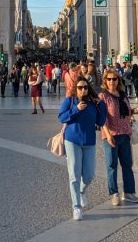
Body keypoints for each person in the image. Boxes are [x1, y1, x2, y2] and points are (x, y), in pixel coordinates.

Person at [58, 75, 108, 221]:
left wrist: (102, 105)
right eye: (80, 87)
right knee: (74, 174)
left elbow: (100, 121)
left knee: (89, 175)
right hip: (72, 141)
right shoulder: (69, 101)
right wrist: (76, 109)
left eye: (85, 87)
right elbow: (62, 117)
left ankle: (81, 192)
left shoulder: (93, 104)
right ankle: (76, 207)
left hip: (89, 142)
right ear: (76, 88)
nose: (83, 90)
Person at [99, 69, 138, 206]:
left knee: (127, 165)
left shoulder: (123, 95)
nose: (112, 81)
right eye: (109, 79)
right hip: (111, 135)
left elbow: (126, 112)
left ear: (118, 80)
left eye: (114, 79)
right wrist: (107, 134)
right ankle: (114, 193)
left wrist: (133, 111)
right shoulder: (103, 96)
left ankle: (128, 192)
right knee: (112, 165)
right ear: (105, 81)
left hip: (125, 134)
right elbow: (102, 117)